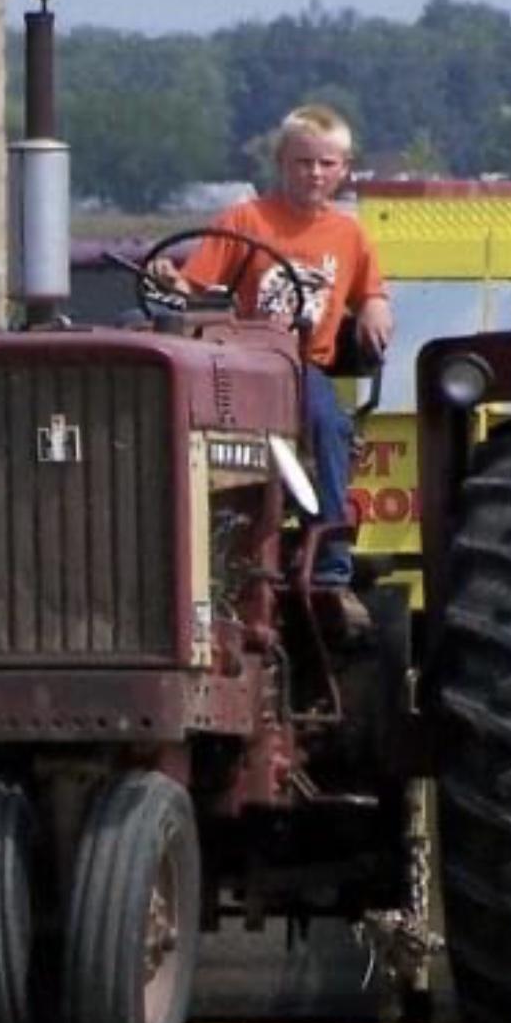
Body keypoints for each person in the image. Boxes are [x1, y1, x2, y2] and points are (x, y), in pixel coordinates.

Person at [153, 103, 394, 632]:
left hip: (302, 366)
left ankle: (331, 563)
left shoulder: (349, 235)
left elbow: (370, 292)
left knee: (329, 423)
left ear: (345, 168)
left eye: (327, 164)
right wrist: (172, 280)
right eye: (304, 162)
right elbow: (192, 285)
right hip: (242, 361)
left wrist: (376, 308)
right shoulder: (246, 221)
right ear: (282, 162)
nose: (315, 174)